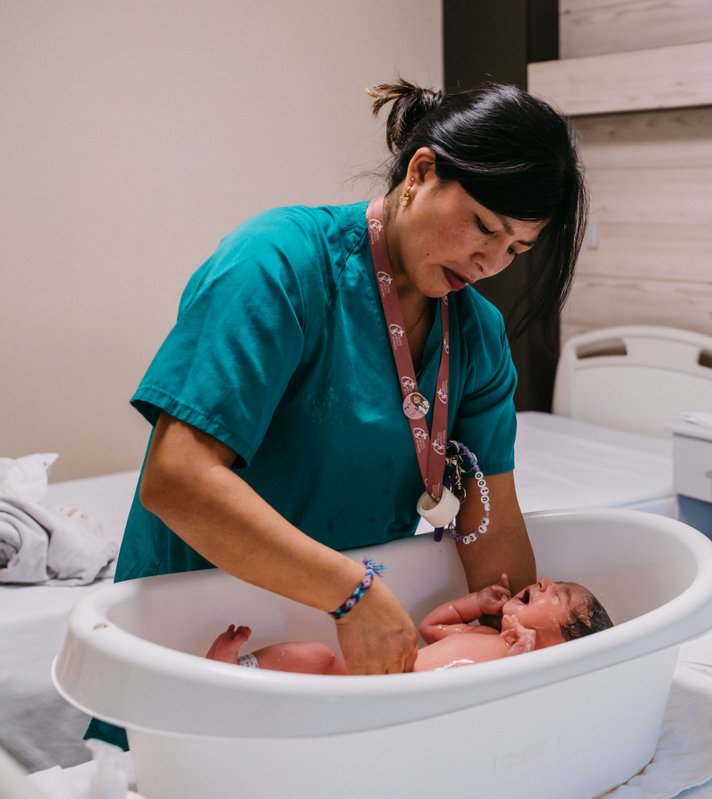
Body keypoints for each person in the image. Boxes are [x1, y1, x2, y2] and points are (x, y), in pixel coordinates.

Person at [86, 77, 587, 747]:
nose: (490, 260)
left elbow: (489, 524)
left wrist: (536, 678)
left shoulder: (476, 334)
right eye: (485, 227)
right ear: (422, 171)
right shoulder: (278, 264)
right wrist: (351, 591)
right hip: (198, 636)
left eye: (516, 249)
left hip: (337, 663)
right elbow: (177, 477)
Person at [206, 575, 614, 673]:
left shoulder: (518, 661)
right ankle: (238, 674)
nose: (543, 582)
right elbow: (431, 627)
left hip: (401, 712)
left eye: (556, 597)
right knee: (317, 655)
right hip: (378, 679)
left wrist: (524, 659)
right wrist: (473, 604)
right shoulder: (485, 633)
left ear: (561, 644)